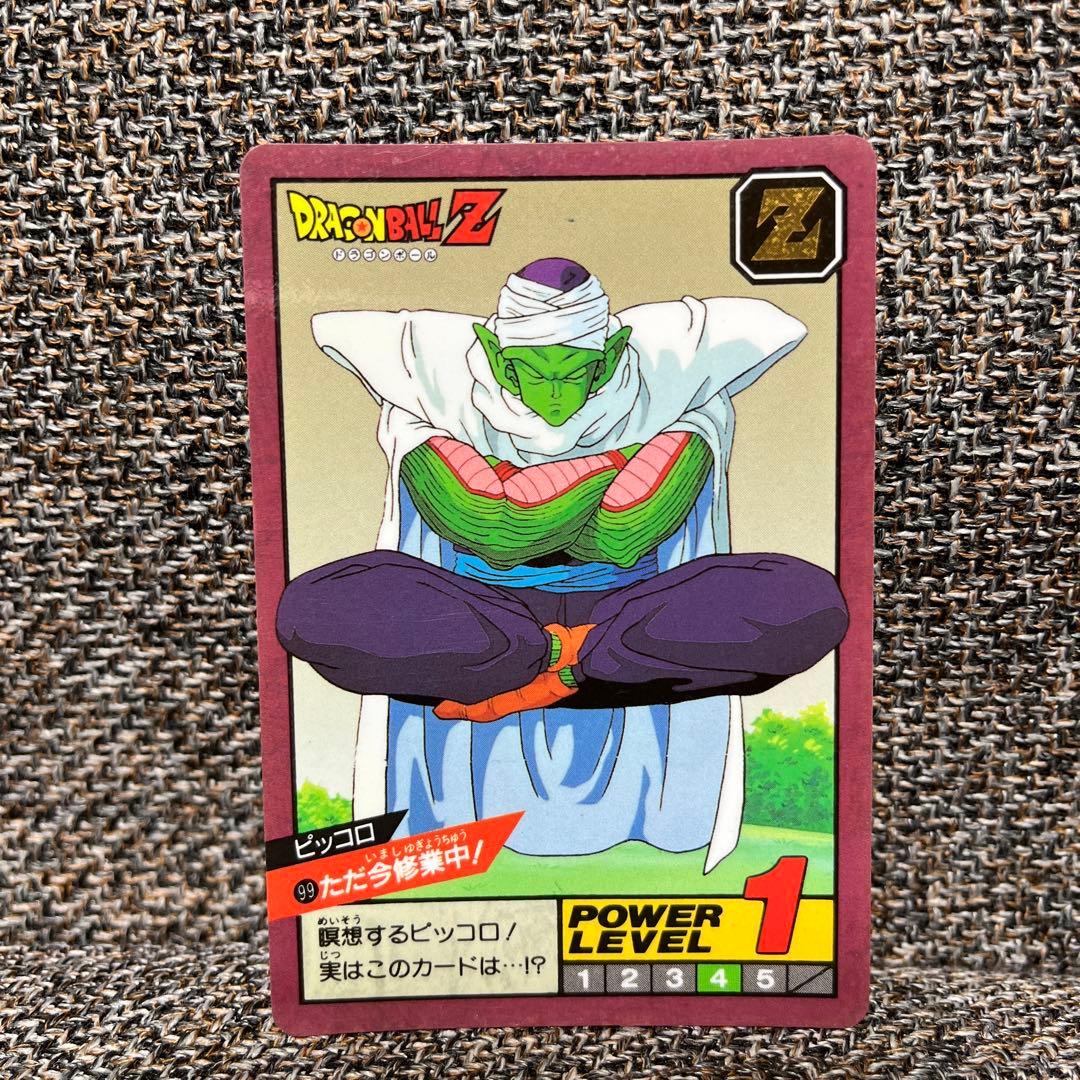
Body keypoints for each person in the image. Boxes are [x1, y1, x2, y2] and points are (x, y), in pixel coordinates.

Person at [277, 258, 848, 866]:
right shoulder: (434, 395)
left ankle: (574, 658)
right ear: (497, 358)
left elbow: (624, 533)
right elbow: (497, 528)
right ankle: (547, 654)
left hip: (632, 642)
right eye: (533, 373)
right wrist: (614, 464)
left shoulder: (674, 393)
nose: (554, 397)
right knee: (312, 609)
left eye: (573, 374)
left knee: (807, 602)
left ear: (609, 357)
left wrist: (579, 647)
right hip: (478, 638)